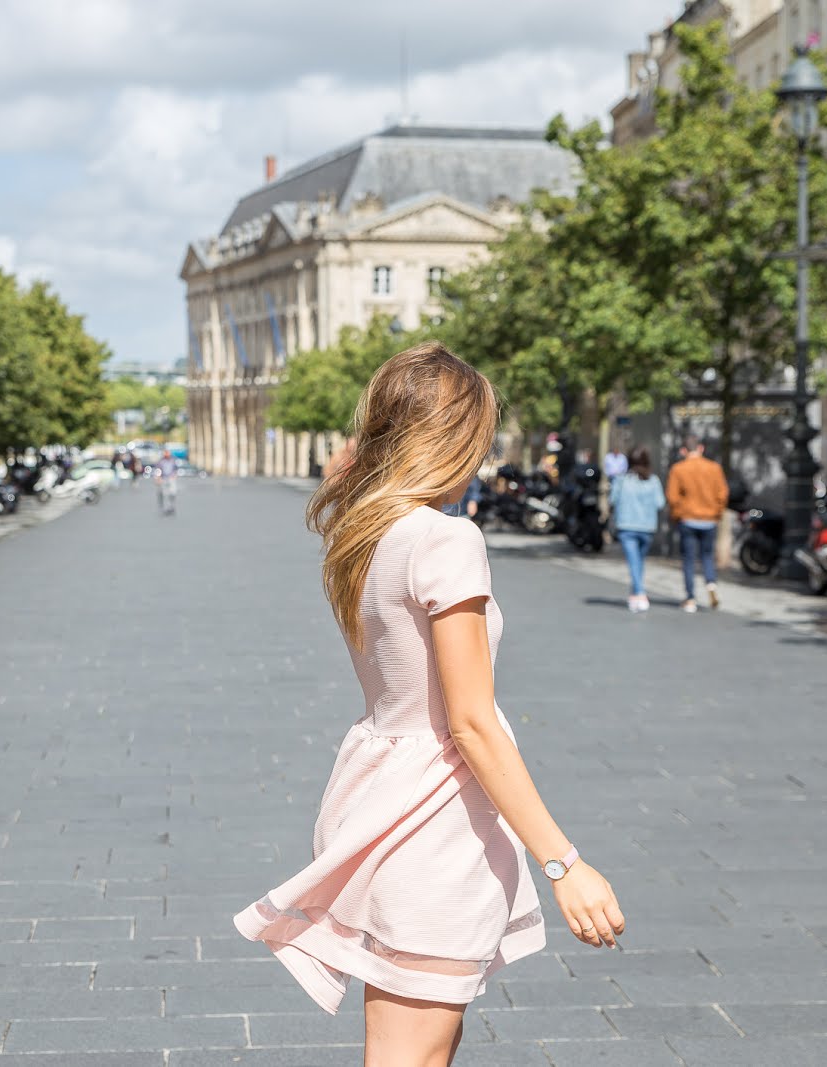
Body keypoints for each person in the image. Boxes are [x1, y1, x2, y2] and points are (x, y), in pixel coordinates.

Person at [233, 342, 624, 1063]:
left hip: (383, 796)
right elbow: (471, 722)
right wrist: (565, 863)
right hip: (437, 821)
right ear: (452, 436)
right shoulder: (446, 540)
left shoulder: (365, 533)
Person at [666, 434, 730, 613]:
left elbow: (672, 497)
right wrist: (716, 513)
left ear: (683, 450)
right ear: (700, 448)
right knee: (707, 556)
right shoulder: (714, 468)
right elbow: (722, 494)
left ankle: (690, 597)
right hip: (709, 520)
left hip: (688, 519)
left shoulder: (678, 469)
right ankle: (711, 583)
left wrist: (679, 514)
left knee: (689, 559)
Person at [609, 446, 664, 612]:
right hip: (647, 526)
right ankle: (636, 594)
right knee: (638, 561)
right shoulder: (653, 480)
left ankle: (638, 593)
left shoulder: (621, 480)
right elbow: (660, 503)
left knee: (634, 562)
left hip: (627, 525)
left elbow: (613, 500)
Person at [154, 448, 179, 516]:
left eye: (168, 453)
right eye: (166, 453)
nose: (167, 454)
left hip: (171, 478)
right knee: (165, 494)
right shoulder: (161, 461)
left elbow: (175, 469)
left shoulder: (173, 460)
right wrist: (158, 478)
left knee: (173, 493)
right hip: (163, 478)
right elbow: (158, 470)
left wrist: (175, 475)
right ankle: (166, 508)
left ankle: (172, 505)